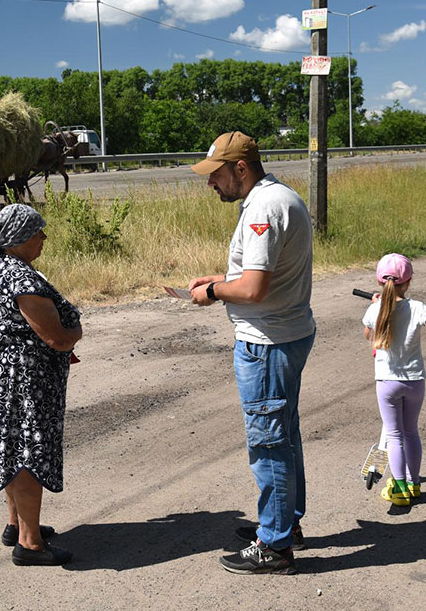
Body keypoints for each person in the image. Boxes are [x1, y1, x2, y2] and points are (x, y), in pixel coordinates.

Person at [186, 131, 315, 576]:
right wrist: (222, 278)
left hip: (267, 341)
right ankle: (285, 524)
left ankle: (275, 544)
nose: (211, 185)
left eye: (216, 175)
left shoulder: (262, 207)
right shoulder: (279, 197)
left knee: (269, 442)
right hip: (287, 332)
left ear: (241, 168)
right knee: (285, 435)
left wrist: (214, 292)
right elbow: (259, 273)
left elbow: (254, 289)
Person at [0, 203, 82, 566]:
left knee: (10, 443)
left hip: (5, 369)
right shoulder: (22, 279)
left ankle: (17, 524)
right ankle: (30, 543)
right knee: (27, 451)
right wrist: (75, 333)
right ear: (19, 238)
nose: (43, 237)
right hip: (25, 376)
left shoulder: (2, 269)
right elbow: (54, 337)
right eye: (38, 231)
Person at [362, 253, 426, 506]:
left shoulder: (375, 309)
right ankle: (413, 484)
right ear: (408, 281)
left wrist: (376, 306)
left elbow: (369, 335)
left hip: (387, 383)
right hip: (414, 382)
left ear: (380, 282)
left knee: (394, 434)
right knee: (411, 432)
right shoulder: (418, 308)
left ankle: (399, 489)